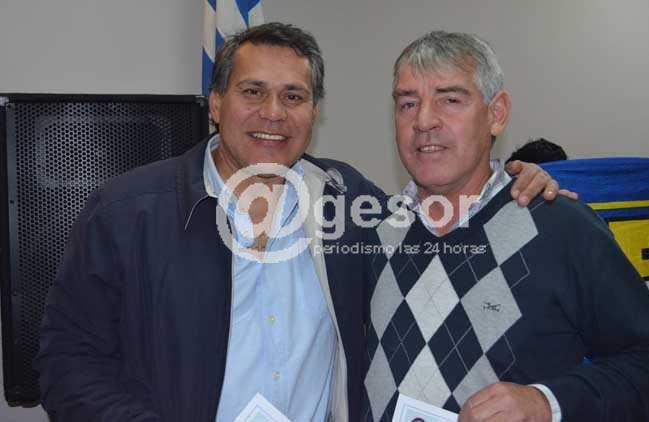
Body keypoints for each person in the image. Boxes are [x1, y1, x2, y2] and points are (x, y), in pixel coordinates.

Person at [35, 23, 564, 422]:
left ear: (315, 112)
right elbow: (67, 363)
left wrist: (516, 180)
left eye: (294, 96)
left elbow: (444, 210)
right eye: (252, 92)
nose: (274, 112)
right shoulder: (126, 213)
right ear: (216, 104)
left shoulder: (350, 203)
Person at [362, 31, 649, 422]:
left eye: (450, 100)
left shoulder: (560, 226)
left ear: (496, 114)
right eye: (408, 103)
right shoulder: (369, 233)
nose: (424, 121)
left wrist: (546, 403)